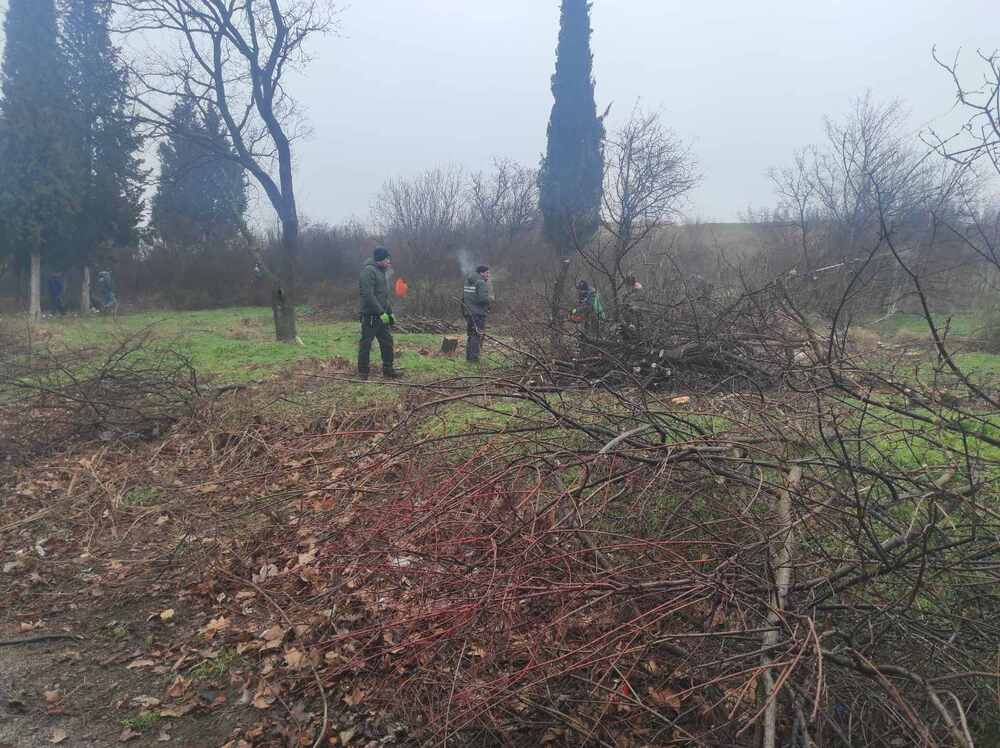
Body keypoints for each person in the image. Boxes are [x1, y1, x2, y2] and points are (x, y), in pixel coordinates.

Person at [358, 247, 399, 379]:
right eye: (387, 259)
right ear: (380, 259)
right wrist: (381, 312)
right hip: (371, 316)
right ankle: (363, 372)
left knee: (387, 342)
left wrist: (390, 312)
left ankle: (388, 369)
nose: (389, 261)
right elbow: (368, 295)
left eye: (389, 259)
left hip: (383, 316)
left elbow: (384, 296)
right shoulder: (368, 271)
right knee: (366, 344)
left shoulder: (382, 271)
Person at [462, 265, 492, 363]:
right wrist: (490, 299)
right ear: (481, 273)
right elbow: (483, 299)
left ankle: (469, 358)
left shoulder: (468, 281)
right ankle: (474, 359)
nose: (489, 275)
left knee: (471, 335)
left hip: (468, 312)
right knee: (477, 335)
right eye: (487, 273)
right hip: (478, 313)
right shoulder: (481, 283)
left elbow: (464, 297)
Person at [621, 275, 644, 341]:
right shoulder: (628, 291)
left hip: (635, 313)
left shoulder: (637, 288)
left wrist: (633, 306)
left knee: (636, 326)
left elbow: (639, 301)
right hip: (629, 312)